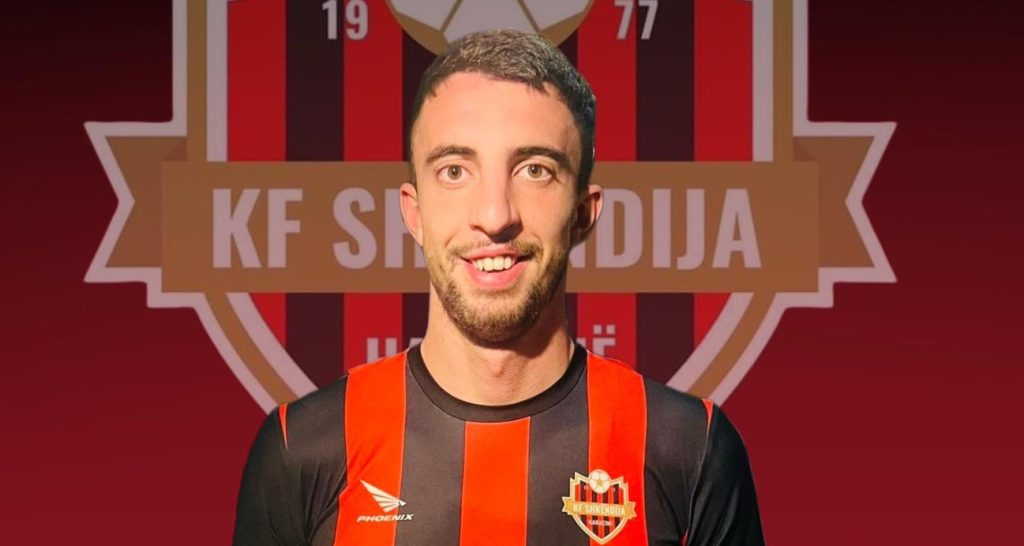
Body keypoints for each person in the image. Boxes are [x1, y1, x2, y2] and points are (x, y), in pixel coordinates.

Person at [233, 29, 763, 545]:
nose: (494, 215)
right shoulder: (305, 448)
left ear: (583, 213)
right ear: (414, 213)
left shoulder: (688, 449)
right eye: (454, 171)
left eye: (535, 170)